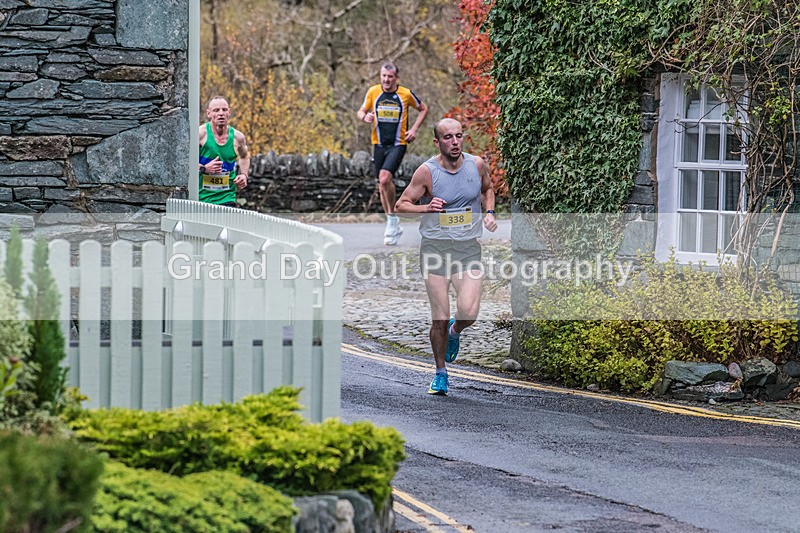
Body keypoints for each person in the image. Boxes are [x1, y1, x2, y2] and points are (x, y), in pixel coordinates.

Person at [395, 118, 497, 396]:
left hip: (467, 249)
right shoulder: (426, 172)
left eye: (459, 136)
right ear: (437, 142)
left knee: (469, 312)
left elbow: (488, 189)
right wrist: (426, 208)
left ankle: (456, 332)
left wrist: (489, 213)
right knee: (439, 317)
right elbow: (400, 205)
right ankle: (440, 373)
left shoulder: (476, 165)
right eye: (448, 137)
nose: (455, 142)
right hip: (436, 250)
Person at [357, 61, 429, 245]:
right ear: (380, 76)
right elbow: (360, 111)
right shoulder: (373, 92)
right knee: (382, 184)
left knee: (384, 178)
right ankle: (392, 220)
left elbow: (423, 109)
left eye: (390, 76)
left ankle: (391, 220)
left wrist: (413, 130)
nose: (387, 80)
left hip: (398, 143)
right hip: (379, 143)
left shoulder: (405, 94)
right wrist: (364, 116)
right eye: (384, 76)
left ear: (396, 77)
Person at [198, 96, 251, 207]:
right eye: (216, 110)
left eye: (224, 110)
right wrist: (204, 168)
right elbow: (184, 162)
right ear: (209, 114)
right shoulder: (200, 134)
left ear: (229, 112)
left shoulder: (238, 137)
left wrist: (244, 175)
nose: (221, 113)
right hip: (201, 197)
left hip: (227, 196)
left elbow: (245, 156)